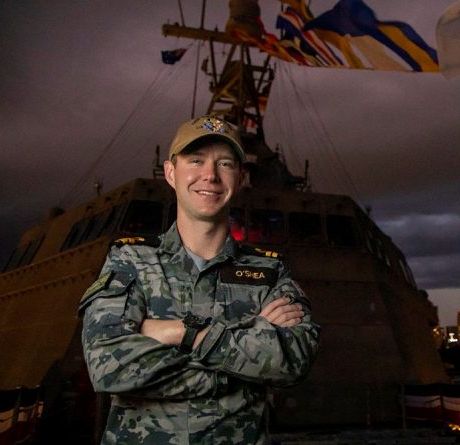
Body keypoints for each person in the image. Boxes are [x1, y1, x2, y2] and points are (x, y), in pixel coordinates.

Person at [78, 115, 320, 445]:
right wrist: (245, 369)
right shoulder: (130, 260)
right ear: (170, 173)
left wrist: (181, 331)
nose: (210, 175)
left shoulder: (269, 273)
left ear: (241, 177)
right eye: (196, 160)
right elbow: (108, 365)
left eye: (224, 163)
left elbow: (293, 361)